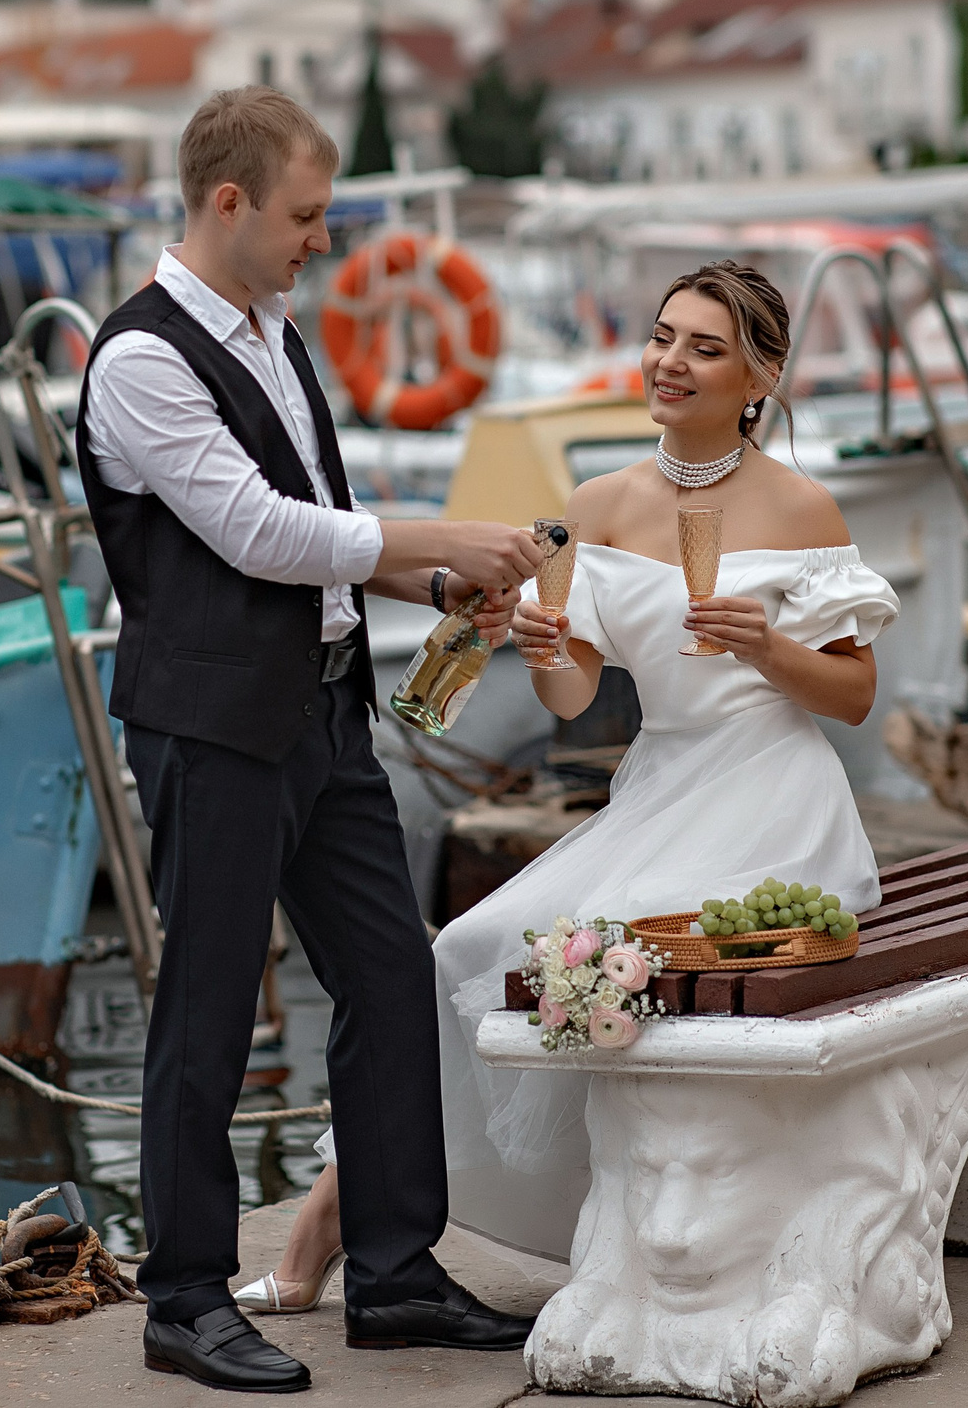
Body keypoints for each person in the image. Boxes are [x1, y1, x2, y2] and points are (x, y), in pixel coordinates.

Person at [239, 258, 901, 1295]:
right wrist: (538, 642)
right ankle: (327, 1225)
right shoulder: (596, 503)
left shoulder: (801, 507)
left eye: (705, 348)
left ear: (759, 380)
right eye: (663, 337)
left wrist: (769, 649)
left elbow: (855, 697)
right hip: (660, 791)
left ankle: (638, 1224)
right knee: (463, 946)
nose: (671, 362)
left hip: (774, 803)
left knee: (606, 940)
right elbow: (569, 700)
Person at [76, 86, 545, 1393]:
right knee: (210, 1009)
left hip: (321, 714)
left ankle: (394, 1274)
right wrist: (440, 537)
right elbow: (257, 533)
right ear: (225, 202)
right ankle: (182, 1297)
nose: (320, 239)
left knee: (396, 981)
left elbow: (319, 534)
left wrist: (426, 591)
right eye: (303, 214)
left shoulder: (274, 331)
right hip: (212, 728)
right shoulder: (140, 360)